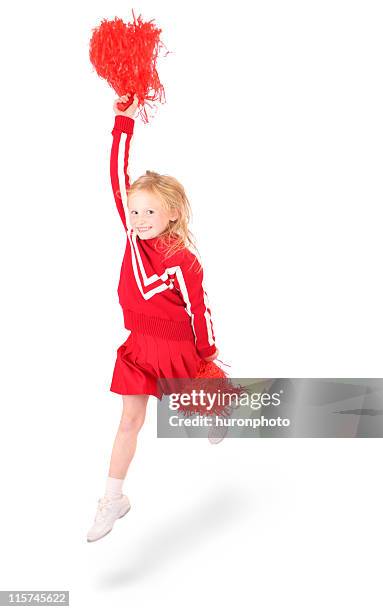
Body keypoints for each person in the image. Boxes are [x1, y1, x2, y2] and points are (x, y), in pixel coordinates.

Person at [87, 93, 220, 542]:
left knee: (195, 410)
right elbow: (115, 173)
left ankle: (216, 410)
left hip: (179, 347)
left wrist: (206, 357)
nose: (140, 218)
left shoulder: (183, 260)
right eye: (135, 210)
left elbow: (199, 310)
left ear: (173, 214)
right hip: (139, 347)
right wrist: (122, 121)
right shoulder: (131, 237)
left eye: (150, 212)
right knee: (129, 420)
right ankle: (113, 497)